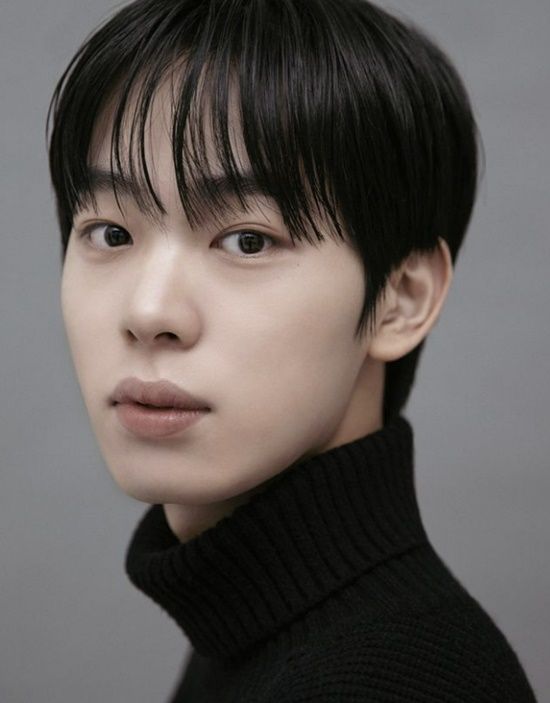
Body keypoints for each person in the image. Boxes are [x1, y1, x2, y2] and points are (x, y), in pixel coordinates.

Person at [47, 0, 538, 700]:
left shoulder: (388, 682)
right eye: (110, 233)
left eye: (247, 240)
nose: (149, 312)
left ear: (402, 298)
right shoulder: (260, 639)